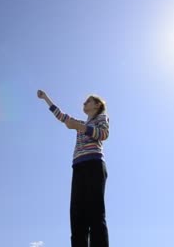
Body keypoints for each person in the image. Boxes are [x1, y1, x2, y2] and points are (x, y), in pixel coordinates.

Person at [37, 90, 110, 247]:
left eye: (88, 101)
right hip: (78, 168)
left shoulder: (101, 118)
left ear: (97, 105)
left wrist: (82, 128)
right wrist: (46, 98)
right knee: (77, 216)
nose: (84, 103)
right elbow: (62, 117)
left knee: (95, 214)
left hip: (94, 165)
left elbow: (103, 134)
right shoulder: (80, 124)